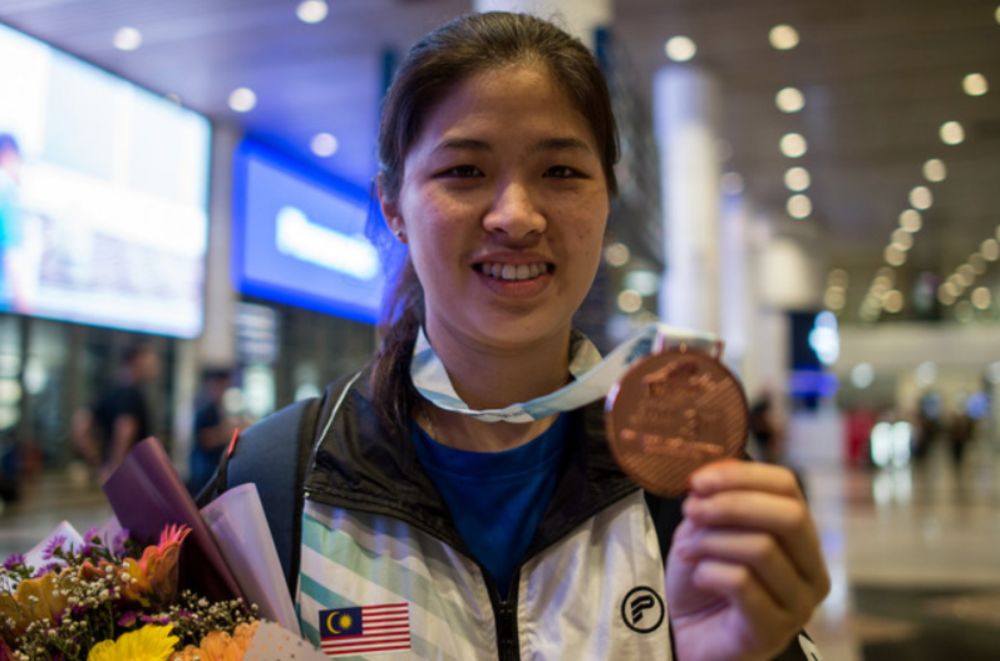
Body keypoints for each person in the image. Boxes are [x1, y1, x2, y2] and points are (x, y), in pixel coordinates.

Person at [207, 12, 829, 659]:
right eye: (464, 171)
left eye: (560, 172)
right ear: (393, 206)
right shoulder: (273, 483)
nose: (517, 217)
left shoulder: (691, 480)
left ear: (606, 198)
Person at [72, 343, 159, 482]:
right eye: (150, 360)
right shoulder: (129, 392)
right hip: (132, 473)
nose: (155, 366)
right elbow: (125, 428)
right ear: (136, 360)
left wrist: (98, 462)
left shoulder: (111, 387)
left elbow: (80, 424)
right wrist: (115, 466)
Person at [187, 368, 235, 496]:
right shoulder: (206, 409)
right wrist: (225, 434)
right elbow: (205, 439)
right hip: (204, 471)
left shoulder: (215, 408)